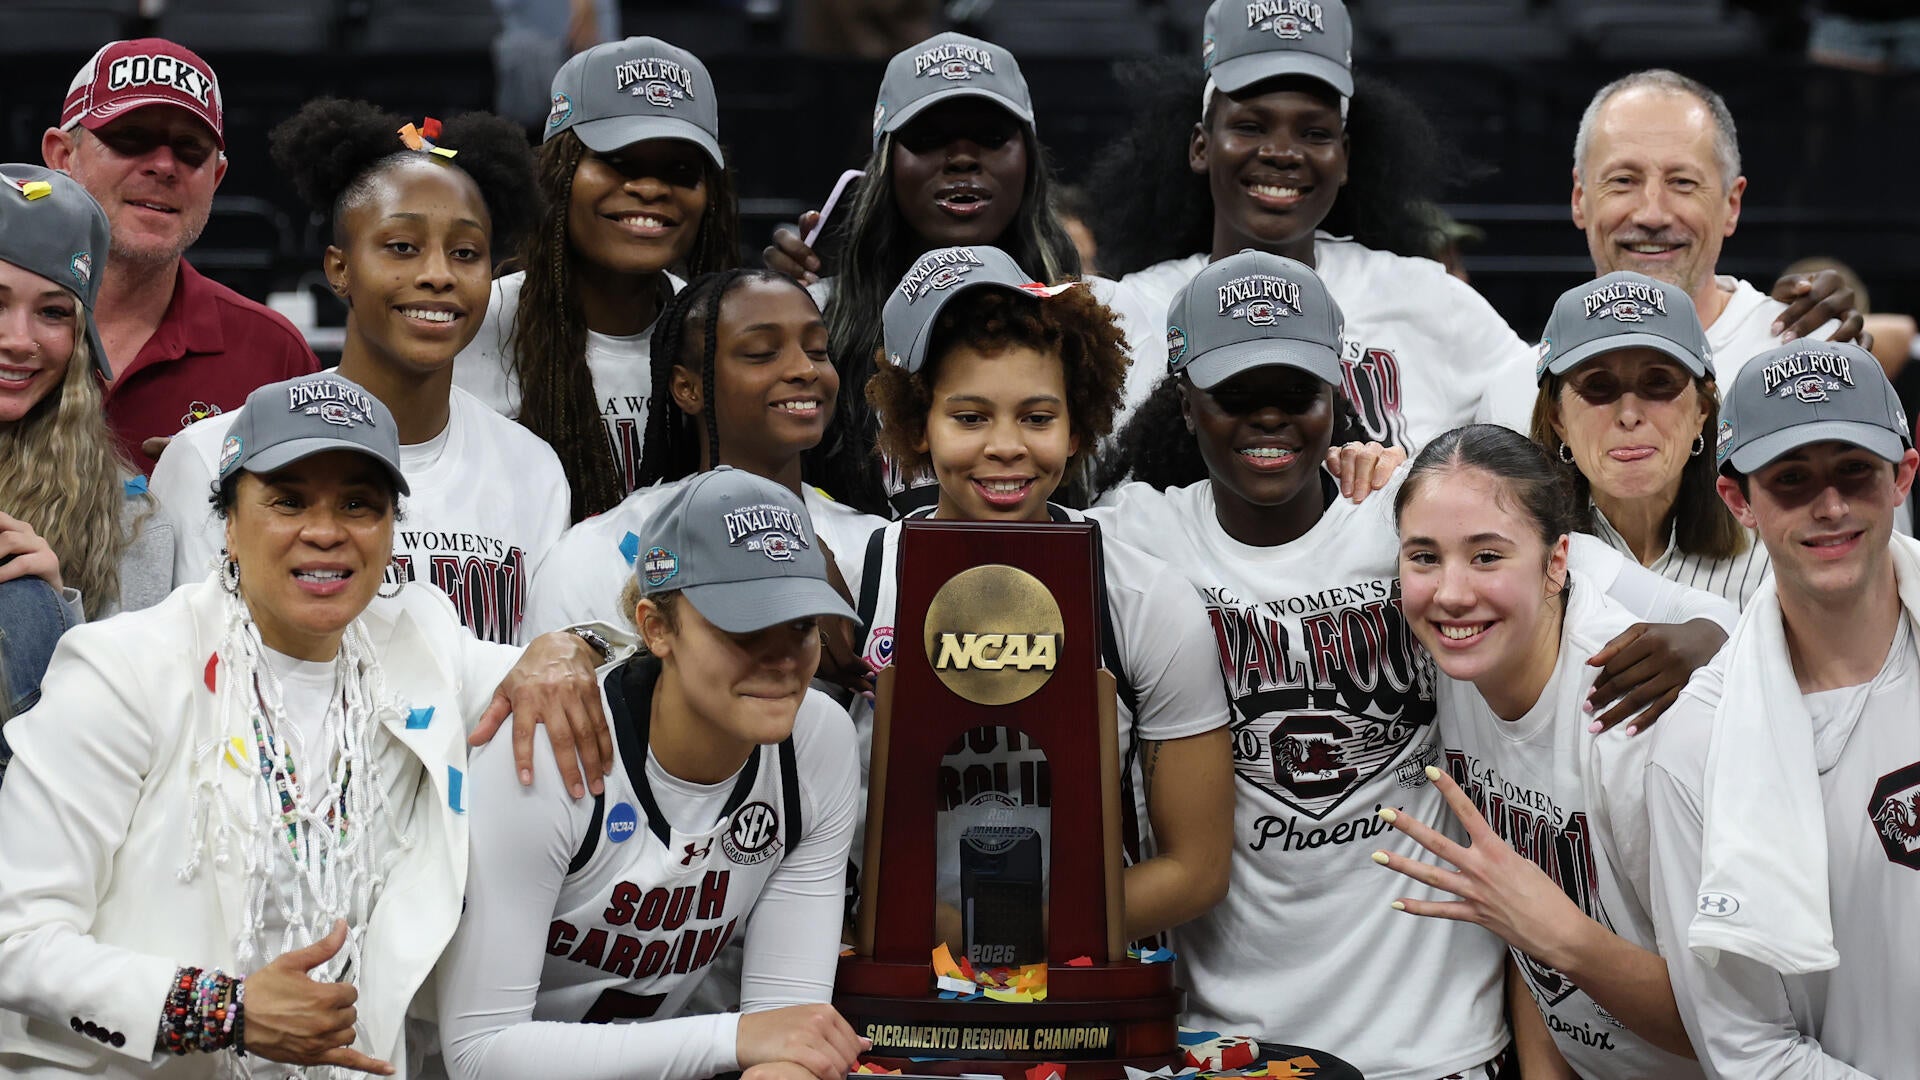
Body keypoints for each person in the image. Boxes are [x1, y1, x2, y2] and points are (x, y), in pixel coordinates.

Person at [1091, 252, 1735, 1079]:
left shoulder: (1405, 518)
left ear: (1340, 394)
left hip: (1442, 1048)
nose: (1269, 420)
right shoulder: (1138, 538)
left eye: (1297, 394)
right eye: (1237, 396)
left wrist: (1704, 645)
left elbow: (1701, 617)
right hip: (1234, 1039)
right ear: (1183, 401)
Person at [0, 370, 619, 1078]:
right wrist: (222, 1011)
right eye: (288, 502)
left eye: (359, 505)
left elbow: (607, 653)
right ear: (229, 524)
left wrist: (573, 646)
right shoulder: (124, 670)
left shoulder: (418, 640)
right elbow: (14, 939)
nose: (325, 532)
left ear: (390, 532)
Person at [1090, 4, 1860, 453]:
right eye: (1250, 125)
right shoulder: (1129, 309)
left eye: (1314, 131)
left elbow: (1581, 413)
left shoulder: (1424, 297)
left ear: (1351, 156)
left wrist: (1821, 323)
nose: (1283, 153)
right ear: (1199, 144)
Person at [858, 243, 1236, 948]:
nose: (1006, 447)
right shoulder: (859, 580)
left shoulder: (1143, 599)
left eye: (1037, 417)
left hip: (1080, 1003)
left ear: (1080, 423)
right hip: (889, 1002)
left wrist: (978, 932)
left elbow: (1197, 869)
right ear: (916, 423)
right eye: (969, 417)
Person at [437, 467, 867, 1080]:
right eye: (744, 625)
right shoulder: (553, 740)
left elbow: (789, 1028)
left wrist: (763, 1045)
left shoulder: (818, 739)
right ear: (656, 627)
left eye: (801, 624)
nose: (780, 658)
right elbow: (479, 1054)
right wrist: (735, 1037)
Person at [152, 98, 569, 646]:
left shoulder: (532, 470)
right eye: (402, 247)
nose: (438, 275)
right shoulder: (210, 455)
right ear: (340, 269)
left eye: (466, 253)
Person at [1378, 425, 1706, 1077]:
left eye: (1487, 556)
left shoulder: (1639, 715)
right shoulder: (1462, 667)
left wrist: (1560, 934)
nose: (1450, 593)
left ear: (1558, 562)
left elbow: (1734, 1025)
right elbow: (1536, 966)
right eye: (1423, 557)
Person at [1647, 341, 1920, 1077]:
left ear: (1903, 476)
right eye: (1792, 480)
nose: (1829, 506)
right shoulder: (1697, 746)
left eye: (1854, 471)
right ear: (1739, 501)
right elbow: (1748, 1050)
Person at [763, 32, 1085, 516]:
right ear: (885, 164)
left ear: (1030, 159)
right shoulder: (818, 319)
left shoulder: (1098, 320)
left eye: (992, 136)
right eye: (929, 138)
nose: (961, 158)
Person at [455, 36, 740, 521]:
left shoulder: (722, 332)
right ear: (558, 171)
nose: (650, 188)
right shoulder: (476, 323)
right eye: (618, 161)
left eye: (680, 170)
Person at [523, 269, 883, 641]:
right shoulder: (593, 556)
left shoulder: (879, 548)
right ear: (687, 387)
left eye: (817, 351)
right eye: (761, 353)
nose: (805, 369)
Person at [42, 38, 318, 474]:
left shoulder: (273, 355)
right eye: (131, 138)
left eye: (190, 147)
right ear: (62, 156)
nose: (164, 166)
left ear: (216, 177)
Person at [1533, 271, 1770, 607]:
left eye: (1658, 383)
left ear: (1701, 411)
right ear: (1559, 420)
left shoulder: (1771, 561)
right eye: (1598, 386)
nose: (1629, 414)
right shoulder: (1523, 562)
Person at [0, 164, 171, 621]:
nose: (19, 339)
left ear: (80, 340)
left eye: (53, 312)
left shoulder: (131, 520)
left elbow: (136, 691)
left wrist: (44, 612)